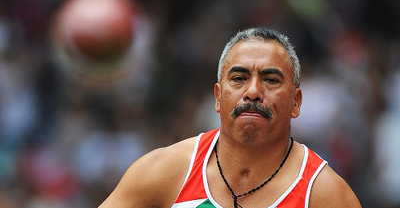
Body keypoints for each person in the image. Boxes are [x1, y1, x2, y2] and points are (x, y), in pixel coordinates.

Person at [98, 28, 361, 208]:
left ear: (296, 102)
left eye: (271, 80)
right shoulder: (165, 171)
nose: (253, 92)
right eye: (239, 78)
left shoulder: (325, 195)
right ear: (217, 97)